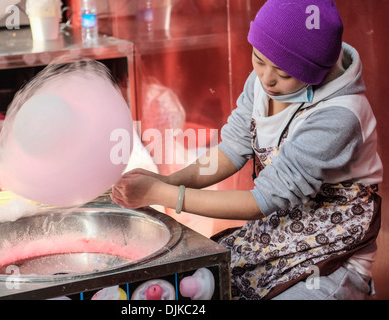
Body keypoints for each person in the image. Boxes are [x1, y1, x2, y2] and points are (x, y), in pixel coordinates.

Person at [111, 0, 383, 300]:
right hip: (282, 229)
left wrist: (159, 194)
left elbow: (262, 201)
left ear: (316, 72)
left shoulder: (339, 116)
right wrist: (166, 181)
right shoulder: (263, 83)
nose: (266, 78)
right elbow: (231, 150)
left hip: (335, 250)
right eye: (258, 59)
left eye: (283, 72)